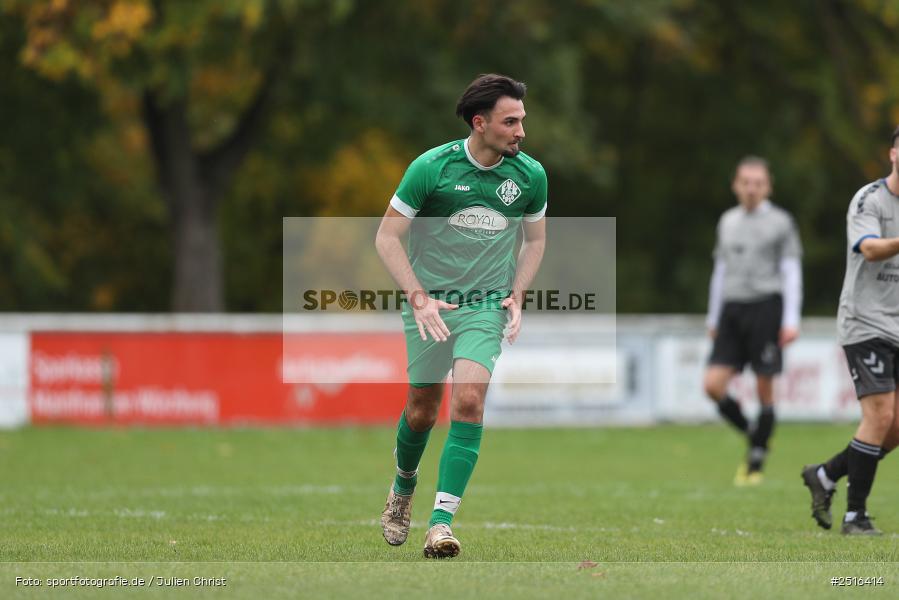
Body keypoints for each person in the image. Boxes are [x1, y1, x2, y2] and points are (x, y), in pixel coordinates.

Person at [374, 74, 547, 558]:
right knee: (421, 410)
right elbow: (387, 237)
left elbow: (535, 241)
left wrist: (517, 295)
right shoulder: (431, 168)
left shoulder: (530, 176)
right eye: (510, 122)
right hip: (430, 306)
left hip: (485, 307)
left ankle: (440, 524)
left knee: (469, 401)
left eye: (522, 120)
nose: (521, 131)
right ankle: (402, 486)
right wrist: (419, 298)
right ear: (480, 123)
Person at [801, 126, 899, 535]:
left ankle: (825, 474)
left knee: (893, 428)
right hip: (865, 322)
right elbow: (870, 248)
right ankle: (855, 516)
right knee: (879, 414)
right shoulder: (869, 199)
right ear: (893, 154)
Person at [703, 156, 803, 485]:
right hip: (732, 308)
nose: (751, 189)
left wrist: (791, 319)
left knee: (764, 385)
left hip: (765, 306)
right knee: (712, 385)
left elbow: (791, 271)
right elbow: (720, 270)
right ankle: (755, 433)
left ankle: (755, 461)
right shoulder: (727, 221)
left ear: (768, 187)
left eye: (758, 183)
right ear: (735, 185)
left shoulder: (781, 222)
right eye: (745, 182)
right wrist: (713, 315)